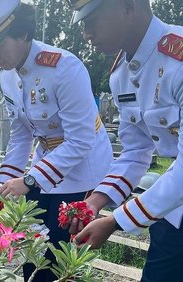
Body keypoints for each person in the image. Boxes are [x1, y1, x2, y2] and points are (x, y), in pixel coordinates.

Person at [0, 0, 113, 281]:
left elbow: (80, 140)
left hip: (81, 168)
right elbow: (20, 134)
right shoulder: (7, 75)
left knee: (57, 255)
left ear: (23, 34)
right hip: (46, 165)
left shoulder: (64, 67)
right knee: (33, 248)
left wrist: (30, 181)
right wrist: (4, 183)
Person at [66, 0, 183, 281]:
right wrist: (95, 201)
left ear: (128, 7)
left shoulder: (177, 58)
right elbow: (136, 150)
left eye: (91, 20)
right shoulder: (121, 75)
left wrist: (116, 220)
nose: (86, 34)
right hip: (173, 210)